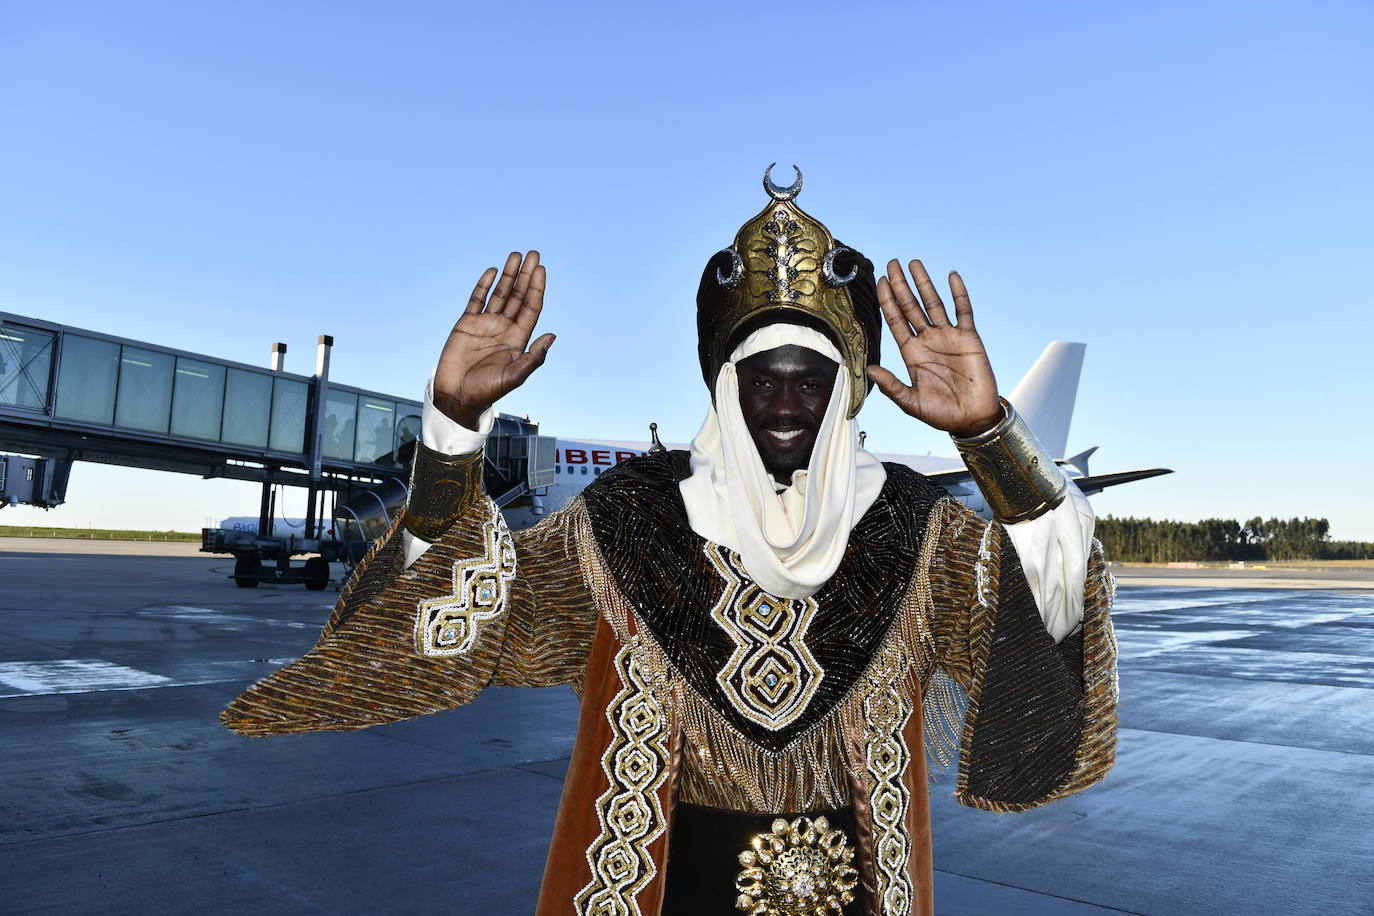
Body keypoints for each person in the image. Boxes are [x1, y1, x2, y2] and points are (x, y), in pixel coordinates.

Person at [223, 167, 1117, 916]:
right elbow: (448, 626)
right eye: (759, 377)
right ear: (724, 389)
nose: (783, 404)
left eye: (813, 380)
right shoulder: (626, 527)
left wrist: (993, 437)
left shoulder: (919, 532)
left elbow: (1049, 632)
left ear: (847, 394)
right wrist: (454, 428)